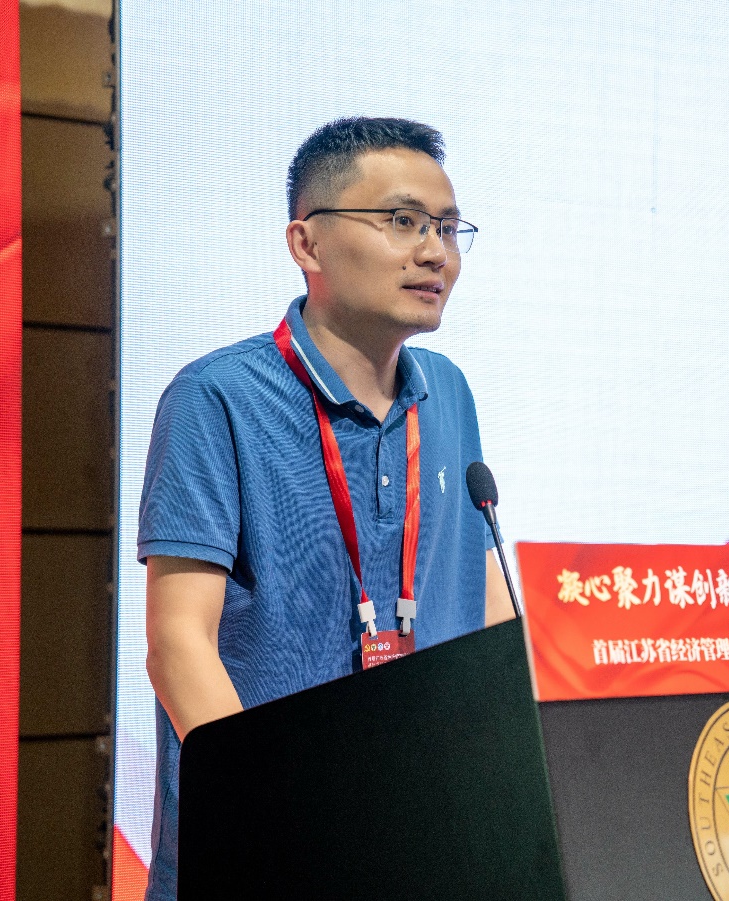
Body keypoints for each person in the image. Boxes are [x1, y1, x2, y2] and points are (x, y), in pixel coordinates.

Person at [136, 117, 513, 900]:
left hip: (423, 844)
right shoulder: (217, 397)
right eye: (402, 220)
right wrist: (284, 817)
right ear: (305, 243)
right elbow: (177, 644)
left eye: (447, 228)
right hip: (265, 851)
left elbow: (487, 606)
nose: (435, 252)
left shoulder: (449, 391)